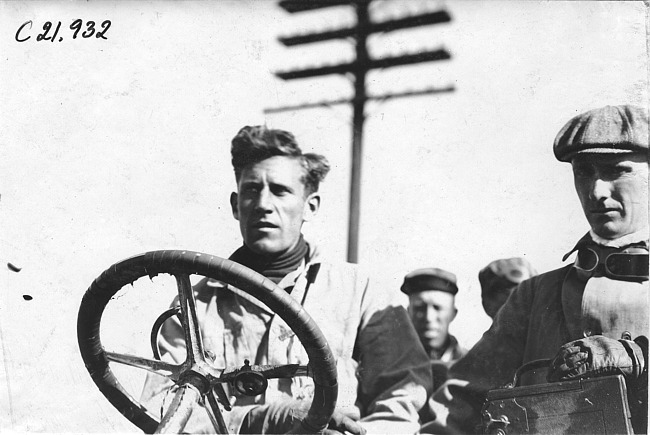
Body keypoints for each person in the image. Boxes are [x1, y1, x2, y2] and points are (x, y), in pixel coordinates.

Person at [140, 125, 431, 434]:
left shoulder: (360, 291)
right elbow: (166, 412)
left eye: (280, 190)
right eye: (252, 190)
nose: (264, 204)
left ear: (311, 206)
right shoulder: (195, 305)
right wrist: (262, 419)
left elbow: (402, 397)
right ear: (235, 205)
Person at [424, 105, 649, 434]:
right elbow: (459, 400)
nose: (597, 191)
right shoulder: (534, 296)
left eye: (616, 170)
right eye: (584, 172)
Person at [400, 268, 467, 424]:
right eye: (419, 308)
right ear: (408, 312)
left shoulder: (470, 364)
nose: (429, 317)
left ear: (453, 313)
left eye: (437, 308)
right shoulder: (392, 364)